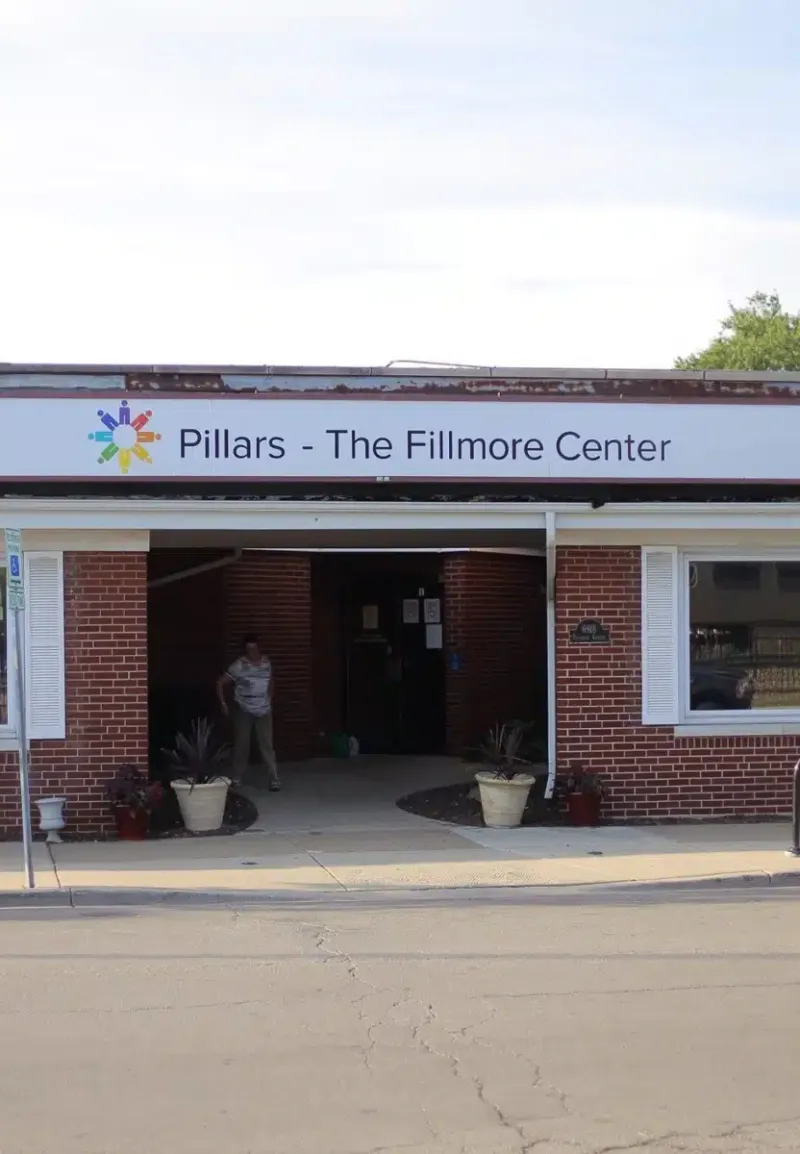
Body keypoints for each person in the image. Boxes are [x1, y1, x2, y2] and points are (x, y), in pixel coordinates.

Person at [216, 634, 280, 791]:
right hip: (244, 709)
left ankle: (274, 777)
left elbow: (271, 681)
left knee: (266, 744)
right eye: (249, 649)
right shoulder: (239, 665)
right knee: (242, 744)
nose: (252, 652)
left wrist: (270, 698)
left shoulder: (266, 662)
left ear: (259, 648)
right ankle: (237, 776)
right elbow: (220, 683)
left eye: (255, 648)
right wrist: (223, 703)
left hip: (264, 709)